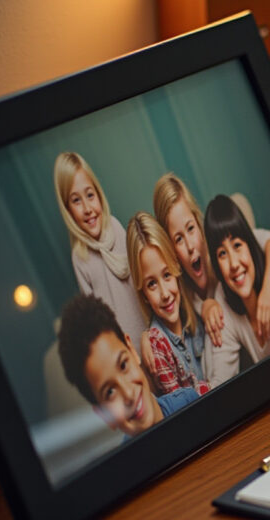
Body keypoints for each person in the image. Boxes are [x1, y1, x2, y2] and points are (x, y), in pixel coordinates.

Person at [152, 173, 270, 348]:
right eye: (178, 239)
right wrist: (206, 307)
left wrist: (268, 287)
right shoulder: (177, 295)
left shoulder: (220, 251)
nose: (190, 246)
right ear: (171, 250)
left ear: (199, 224)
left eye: (191, 229)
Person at [57, 295, 199, 439]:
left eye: (123, 365)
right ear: (104, 415)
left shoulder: (189, 402)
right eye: (110, 392)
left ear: (132, 350)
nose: (128, 394)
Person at [202, 194, 270, 383]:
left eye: (237, 245)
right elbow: (220, 382)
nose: (233, 263)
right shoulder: (223, 304)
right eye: (222, 254)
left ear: (250, 245)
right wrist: (206, 305)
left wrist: (267, 289)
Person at [53, 151, 147, 351]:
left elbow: (140, 279)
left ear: (98, 193)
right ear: (68, 209)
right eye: (76, 201)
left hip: (150, 334)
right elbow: (94, 321)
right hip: (124, 350)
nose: (87, 208)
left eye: (89, 195)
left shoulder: (115, 227)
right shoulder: (80, 258)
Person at [126, 211, 212, 396]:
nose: (165, 294)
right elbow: (185, 409)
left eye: (167, 275)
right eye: (152, 284)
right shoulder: (157, 348)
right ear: (144, 295)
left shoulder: (193, 313)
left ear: (176, 269)